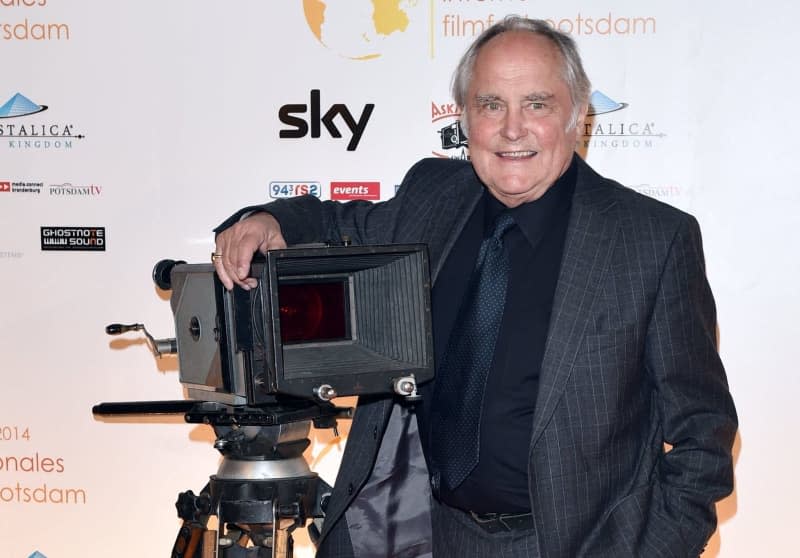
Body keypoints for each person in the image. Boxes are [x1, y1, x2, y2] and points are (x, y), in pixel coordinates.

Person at [213, 16, 737, 558]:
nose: (513, 129)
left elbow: (703, 432)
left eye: (537, 104)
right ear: (464, 118)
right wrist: (270, 220)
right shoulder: (431, 197)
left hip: (583, 544)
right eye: (491, 105)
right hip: (437, 532)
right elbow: (339, 223)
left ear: (578, 115)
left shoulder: (651, 238)